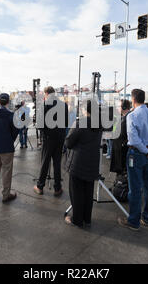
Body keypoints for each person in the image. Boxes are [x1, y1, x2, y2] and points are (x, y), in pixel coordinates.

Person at [118, 89, 148, 231]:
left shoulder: (132, 115)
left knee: (135, 188)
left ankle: (133, 221)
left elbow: (133, 139)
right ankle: (147, 217)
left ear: (132, 99)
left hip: (137, 154)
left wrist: (146, 152)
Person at [64, 99, 102, 227]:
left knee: (76, 193)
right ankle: (87, 218)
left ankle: (77, 220)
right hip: (92, 163)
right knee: (88, 192)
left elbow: (68, 143)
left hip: (78, 163)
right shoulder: (99, 123)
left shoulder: (81, 123)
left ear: (86, 110)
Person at [33, 86, 69, 197]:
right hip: (60, 138)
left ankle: (40, 186)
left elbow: (39, 124)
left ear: (46, 93)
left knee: (45, 162)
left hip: (48, 138)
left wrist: (45, 133)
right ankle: (57, 188)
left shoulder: (44, 105)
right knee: (57, 163)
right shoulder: (63, 105)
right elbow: (66, 123)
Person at [0, 93, 20, 203]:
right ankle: (6, 195)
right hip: (6, 147)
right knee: (6, 171)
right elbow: (16, 130)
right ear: (8, 102)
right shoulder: (11, 114)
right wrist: (10, 139)